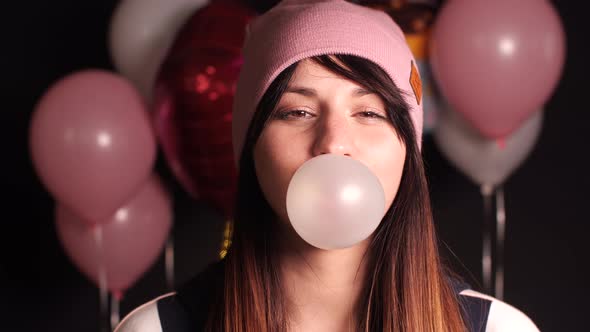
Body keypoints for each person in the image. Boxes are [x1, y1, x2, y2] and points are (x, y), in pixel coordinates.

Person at [115, 1, 539, 331]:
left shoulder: (500, 329)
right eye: (297, 112)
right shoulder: (154, 329)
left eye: (369, 113)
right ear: (251, 144)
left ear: (407, 150)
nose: (334, 141)